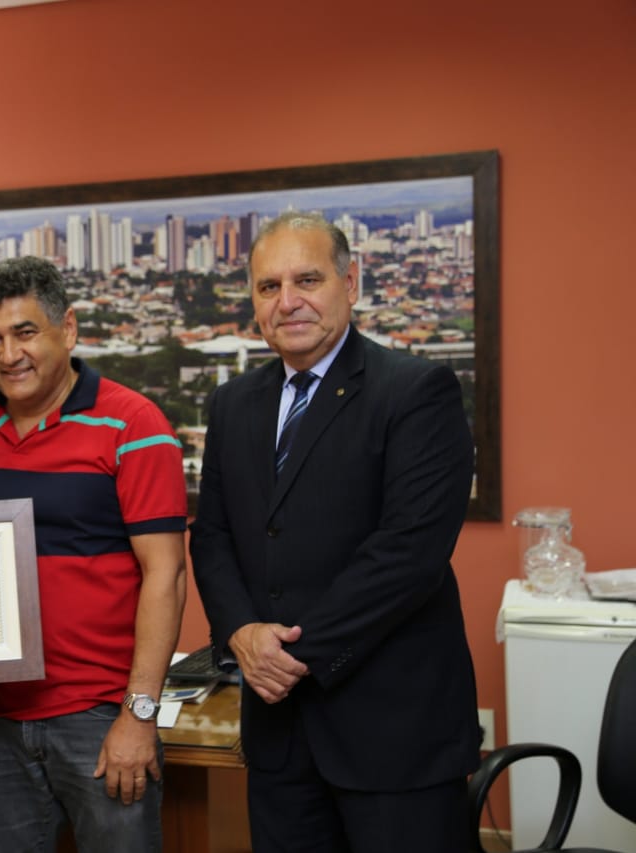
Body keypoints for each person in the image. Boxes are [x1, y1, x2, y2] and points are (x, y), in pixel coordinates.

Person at [188, 212, 479, 852]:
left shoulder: (415, 392)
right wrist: (239, 634)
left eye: (308, 280)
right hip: (278, 730)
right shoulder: (235, 405)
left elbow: (408, 555)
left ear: (351, 283)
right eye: (268, 287)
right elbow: (212, 536)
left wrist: (290, 654)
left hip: (393, 731)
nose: (287, 301)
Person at [0, 256, 187, 853]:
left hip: (100, 717)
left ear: (70, 329)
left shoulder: (134, 425)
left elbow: (166, 576)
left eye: (25, 332)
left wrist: (139, 716)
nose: (9, 354)